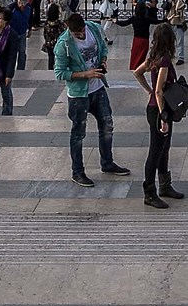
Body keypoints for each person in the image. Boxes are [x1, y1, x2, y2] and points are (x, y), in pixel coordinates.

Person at [54, 10, 132, 185]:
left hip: (97, 89)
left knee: (107, 125)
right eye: (77, 33)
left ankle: (107, 162)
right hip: (78, 95)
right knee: (78, 134)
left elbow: (103, 47)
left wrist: (103, 60)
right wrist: (85, 74)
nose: (81, 35)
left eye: (82, 31)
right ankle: (77, 171)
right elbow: (59, 73)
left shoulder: (93, 28)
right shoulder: (63, 44)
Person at [136, 20, 184, 208]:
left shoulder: (153, 57)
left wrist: (147, 89)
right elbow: (159, 91)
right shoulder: (163, 60)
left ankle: (165, 185)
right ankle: (149, 193)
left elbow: (137, 73)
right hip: (159, 110)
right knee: (155, 152)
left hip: (158, 108)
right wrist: (163, 115)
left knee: (164, 148)